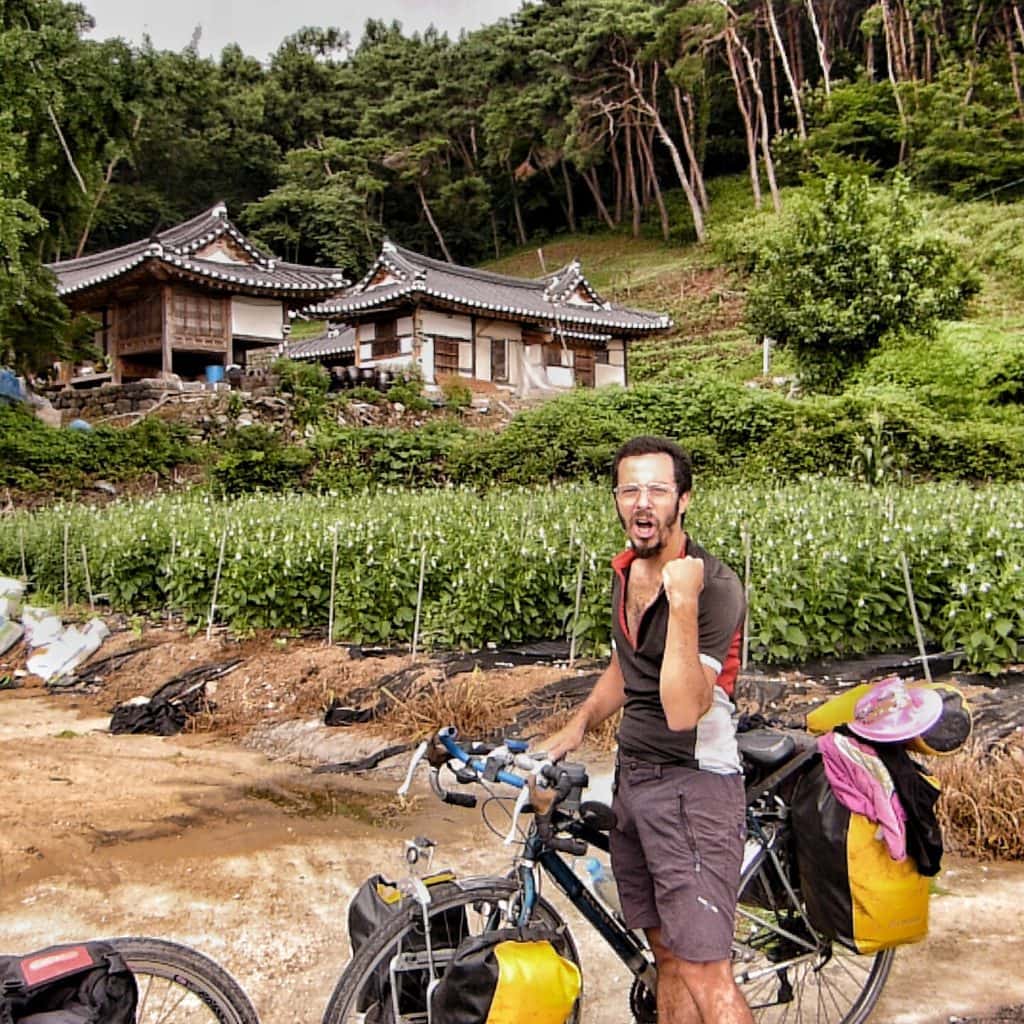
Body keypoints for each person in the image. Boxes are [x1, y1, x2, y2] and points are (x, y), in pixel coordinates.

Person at [544, 435, 752, 1024]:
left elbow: (685, 706)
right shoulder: (626, 569)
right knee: (664, 954)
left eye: (657, 490)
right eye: (630, 489)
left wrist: (682, 604)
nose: (642, 503)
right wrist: (581, 721)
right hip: (634, 779)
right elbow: (627, 661)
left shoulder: (713, 586)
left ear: (683, 500)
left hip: (694, 784)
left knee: (705, 971)